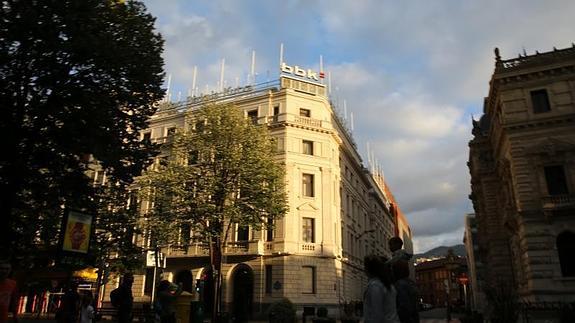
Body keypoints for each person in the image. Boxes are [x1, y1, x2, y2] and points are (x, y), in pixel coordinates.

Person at [363, 255, 399, 323]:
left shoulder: (375, 286)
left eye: (365, 266)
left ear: (370, 269)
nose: (364, 268)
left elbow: (377, 314)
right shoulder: (388, 285)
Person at [0, 259, 18, 323]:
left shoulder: (13, 284)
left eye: (7, 269)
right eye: (2, 268)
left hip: (3, 318)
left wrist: (15, 315)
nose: (4, 271)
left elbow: (14, 301)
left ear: (10, 270)